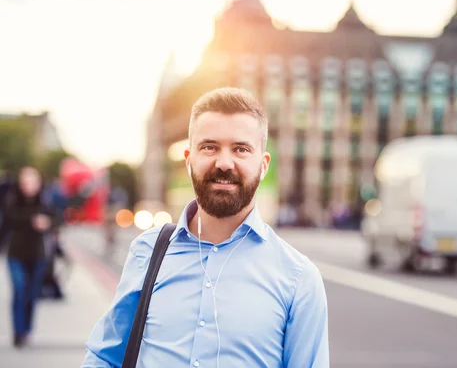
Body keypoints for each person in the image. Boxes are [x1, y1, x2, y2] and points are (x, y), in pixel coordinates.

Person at [82, 87, 330, 367]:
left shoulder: (299, 279)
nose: (224, 163)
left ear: (263, 165)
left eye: (241, 149)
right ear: (189, 160)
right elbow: (105, 356)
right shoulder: (147, 251)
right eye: (209, 147)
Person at [5, 166, 54, 348]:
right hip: (16, 253)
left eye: (32, 180)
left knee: (31, 294)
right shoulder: (12, 199)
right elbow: (10, 218)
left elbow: (56, 219)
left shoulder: (45, 201)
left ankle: (26, 330)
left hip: (37, 254)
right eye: (25, 180)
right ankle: (18, 332)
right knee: (19, 289)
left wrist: (47, 223)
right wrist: (32, 219)